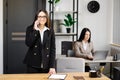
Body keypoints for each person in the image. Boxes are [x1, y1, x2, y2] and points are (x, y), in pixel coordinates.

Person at [23, 10, 56, 74]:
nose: (42, 19)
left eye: (44, 16)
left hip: (46, 64)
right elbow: (29, 43)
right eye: (40, 16)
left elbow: (52, 49)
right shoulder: (30, 29)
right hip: (33, 64)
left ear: (47, 18)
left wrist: (52, 66)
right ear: (36, 18)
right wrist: (35, 30)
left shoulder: (50, 30)